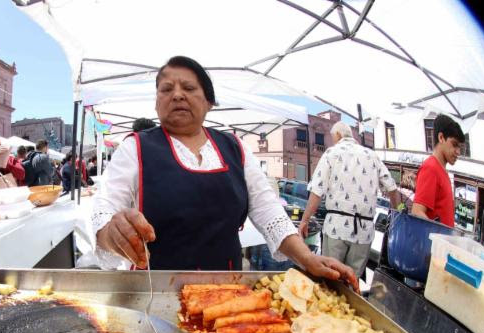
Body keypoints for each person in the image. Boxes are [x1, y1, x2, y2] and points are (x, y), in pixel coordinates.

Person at [92, 56, 356, 287]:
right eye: (166, 89)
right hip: (156, 294)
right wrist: (111, 233)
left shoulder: (235, 148)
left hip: (227, 294)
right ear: (156, 103)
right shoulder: (134, 148)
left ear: (209, 102)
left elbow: (269, 211)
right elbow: (104, 211)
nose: (177, 95)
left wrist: (306, 257)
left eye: (189, 88)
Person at [299, 121, 402, 278]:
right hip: (364, 231)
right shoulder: (372, 155)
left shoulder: (331, 153)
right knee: (352, 281)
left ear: (338, 135)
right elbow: (392, 189)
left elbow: (316, 191)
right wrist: (395, 218)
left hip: (336, 227)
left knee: (330, 278)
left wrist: (305, 220)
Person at [410, 114, 464, 227]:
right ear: (441, 138)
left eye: (460, 147)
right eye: (454, 145)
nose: (458, 152)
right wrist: (439, 239)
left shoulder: (440, 170)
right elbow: (417, 212)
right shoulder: (431, 168)